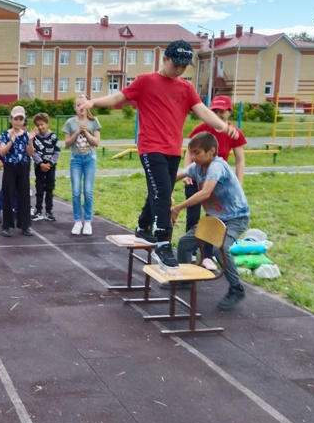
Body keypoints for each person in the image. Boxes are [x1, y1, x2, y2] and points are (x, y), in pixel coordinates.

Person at [77, 39, 240, 267]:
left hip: (172, 149)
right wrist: (93, 102)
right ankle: (163, 244)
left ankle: (143, 227)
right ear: (164, 59)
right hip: (150, 147)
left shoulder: (186, 88)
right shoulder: (146, 81)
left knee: (160, 190)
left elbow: (202, 111)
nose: (180, 70)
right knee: (163, 192)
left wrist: (223, 126)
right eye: (176, 65)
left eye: (184, 67)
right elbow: (118, 98)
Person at [170, 132, 250, 311]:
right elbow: (175, 176)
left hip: (235, 218)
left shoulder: (217, 167)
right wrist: (158, 188)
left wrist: (177, 208)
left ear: (211, 151)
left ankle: (237, 289)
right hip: (214, 218)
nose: (193, 156)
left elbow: (205, 193)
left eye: (197, 152)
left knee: (219, 248)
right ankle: (185, 280)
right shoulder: (197, 167)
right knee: (184, 243)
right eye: (191, 153)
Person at [185, 95, 247, 267]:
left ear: (229, 112)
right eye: (215, 111)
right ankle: (189, 252)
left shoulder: (234, 132)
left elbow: (240, 160)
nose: (219, 115)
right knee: (193, 214)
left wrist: (239, 183)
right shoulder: (202, 129)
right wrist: (188, 173)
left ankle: (206, 255)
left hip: (216, 183)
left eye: (222, 111)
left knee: (212, 218)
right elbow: (189, 152)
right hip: (197, 177)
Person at [62, 96, 100, 235]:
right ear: (75, 108)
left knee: (88, 192)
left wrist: (86, 133)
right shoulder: (70, 123)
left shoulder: (93, 121)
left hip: (90, 159)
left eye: (83, 104)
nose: (81, 107)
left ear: (88, 106)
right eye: (78, 105)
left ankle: (88, 221)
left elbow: (96, 142)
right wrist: (77, 132)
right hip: (76, 159)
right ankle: (78, 221)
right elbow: (66, 143)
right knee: (76, 191)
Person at [0, 105, 35, 237]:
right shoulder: (4, 135)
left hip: (23, 166)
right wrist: (11, 142)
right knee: (8, 194)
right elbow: (2, 152)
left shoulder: (26, 135)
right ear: (11, 119)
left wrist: (30, 141)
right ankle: (6, 225)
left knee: (24, 195)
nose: (18, 122)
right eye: (16, 119)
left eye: (21, 119)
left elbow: (30, 153)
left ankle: (25, 225)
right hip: (9, 166)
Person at [32, 112, 61, 223]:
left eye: (42, 124)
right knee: (39, 189)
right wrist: (40, 163)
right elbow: (33, 152)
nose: (40, 127)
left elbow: (57, 152)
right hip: (39, 167)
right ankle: (38, 211)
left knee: (49, 189)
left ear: (47, 123)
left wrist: (50, 163)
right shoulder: (34, 138)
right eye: (38, 125)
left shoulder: (53, 137)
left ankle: (49, 211)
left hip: (51, 167)